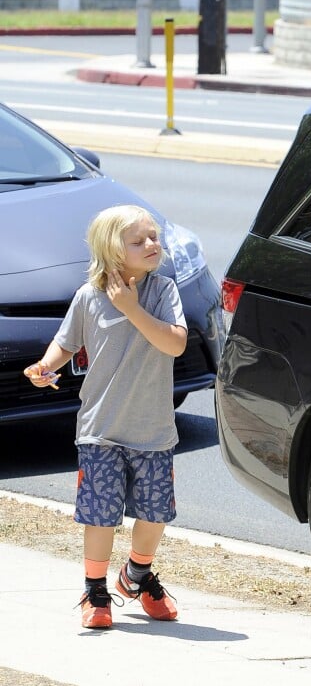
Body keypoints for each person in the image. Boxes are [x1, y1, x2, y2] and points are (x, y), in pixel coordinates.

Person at [24, 204, 188, 629]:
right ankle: (95, 590)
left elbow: (174, 345)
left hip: (152, 430)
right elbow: (65, 342)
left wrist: (132, 308)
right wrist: (46, 366)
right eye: (139, 240)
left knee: (154, 515)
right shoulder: (88, 297)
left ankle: (136, 573)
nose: (152, 244)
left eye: (154, 236)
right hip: (100, 428)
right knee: (99, 517)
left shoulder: (163, 291)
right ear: (112, 251)